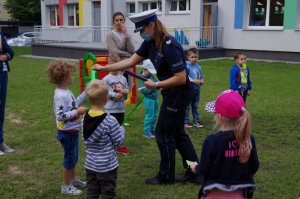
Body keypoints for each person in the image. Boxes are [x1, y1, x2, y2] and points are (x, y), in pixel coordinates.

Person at [92, 9, 201, 184]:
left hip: (179, 93)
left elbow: (181, 78)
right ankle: (195, 170)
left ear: (151, 25)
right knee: (178, 133)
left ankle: (166, 176)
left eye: (142, 30)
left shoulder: (169, 46)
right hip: (171, 92)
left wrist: (156, 84)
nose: (141, 34)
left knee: (163, 133)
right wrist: (103, 68)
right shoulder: (150, 44)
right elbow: (129, 61)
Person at [190, 90, 260, 199]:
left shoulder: (211, 141)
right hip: (240, 194)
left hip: (214, 194)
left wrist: (195, 168)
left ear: (220, 117)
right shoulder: (248, 138)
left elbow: (203, 168)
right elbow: (254, 165)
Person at [48, 60, 88, 195]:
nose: (73, 77)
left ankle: (73, 180)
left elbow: (73, 104)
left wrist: (85, 94)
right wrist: (77, 112)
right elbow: (60, 115)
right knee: (70, 158)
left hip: (72, 131)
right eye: (71, 75)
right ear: (65, 77)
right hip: (67, 132)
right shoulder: (61, 95)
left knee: (73, 157)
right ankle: (66, 186)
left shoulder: (66, 91)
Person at [82, 80, 124, 199]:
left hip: (90, 164)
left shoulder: (84, 117)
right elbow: (119, 142)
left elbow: (84, 138)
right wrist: (121, 131)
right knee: (108, 192)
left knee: (92, 191)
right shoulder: (110, 121)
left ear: (89, 99)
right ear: (106, 99)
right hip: (107, 166)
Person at [102, 54, 129, 155]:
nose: (115, 67)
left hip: (120, 108)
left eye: (117, 64)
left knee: (119, 127)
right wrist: (114, 95)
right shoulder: (106, 79)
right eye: (113, 65)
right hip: (110, 109)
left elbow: (127, 91)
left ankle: (119, 145)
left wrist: (126, 92)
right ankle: (110, 146)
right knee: (110, 128)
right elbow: (104, 92)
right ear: (108, 65)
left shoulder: (123, 78)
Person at [107, 12, 135, 91]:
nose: (119, 22)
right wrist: (128, 54)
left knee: (127, 88)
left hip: (128, 65)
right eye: (117, 20)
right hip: (116, 65)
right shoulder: (110, 34)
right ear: (113, 22)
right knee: (116, 88)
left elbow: (132, 50)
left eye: (121, 20)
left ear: (124, 21)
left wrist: (126, 35)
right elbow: (113, 51)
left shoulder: (127, 35)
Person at [0, 32, 14, 156]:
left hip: (3, 74)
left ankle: (1, 142)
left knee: (1, 110)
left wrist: (5, 56)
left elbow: (10, 52)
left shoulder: (0, 34)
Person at [184, 47, 204, 129]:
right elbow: (185, 77)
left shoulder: (199, 67)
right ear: (188, 57)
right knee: (187, 106)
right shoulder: (187, 66)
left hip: (197, 90)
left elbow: (201, 77)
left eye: (196, 57)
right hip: (189, 90)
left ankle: (196, 121)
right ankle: (185, 122)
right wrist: (193, 80)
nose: (194, 59)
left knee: (195, 106)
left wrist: (202, 81)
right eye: (192, 57)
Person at [138, 59, 158, 138]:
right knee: (150, 115)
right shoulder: (142, 78)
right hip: (149, 99)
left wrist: (157, 84)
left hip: (155, 99)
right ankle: (146, 131)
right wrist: (152, 87)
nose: (151, 73)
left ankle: (152, 130)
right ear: (145, 69)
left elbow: (156, 82)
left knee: (155, 115)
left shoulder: (151, 75)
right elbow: (142, 90)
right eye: (150, 71)